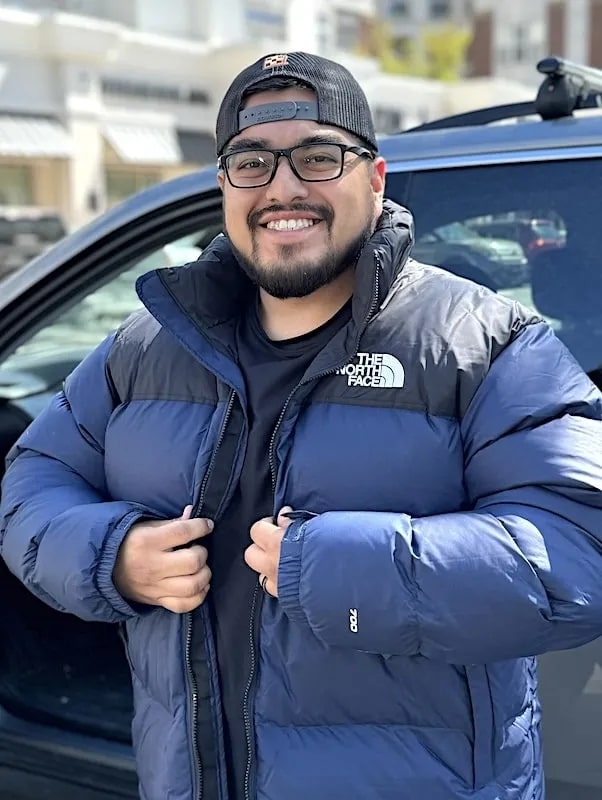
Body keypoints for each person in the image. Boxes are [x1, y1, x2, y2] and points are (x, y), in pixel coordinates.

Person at [1, 51, 602, 800]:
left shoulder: (486, 345)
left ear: (374, 180)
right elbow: (33, 480)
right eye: (251, 162)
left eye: (318, 156)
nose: (283, 188)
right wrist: (109, 557)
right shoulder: (147, 345)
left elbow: (576, 554)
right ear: (225, 186)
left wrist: (334, 571)